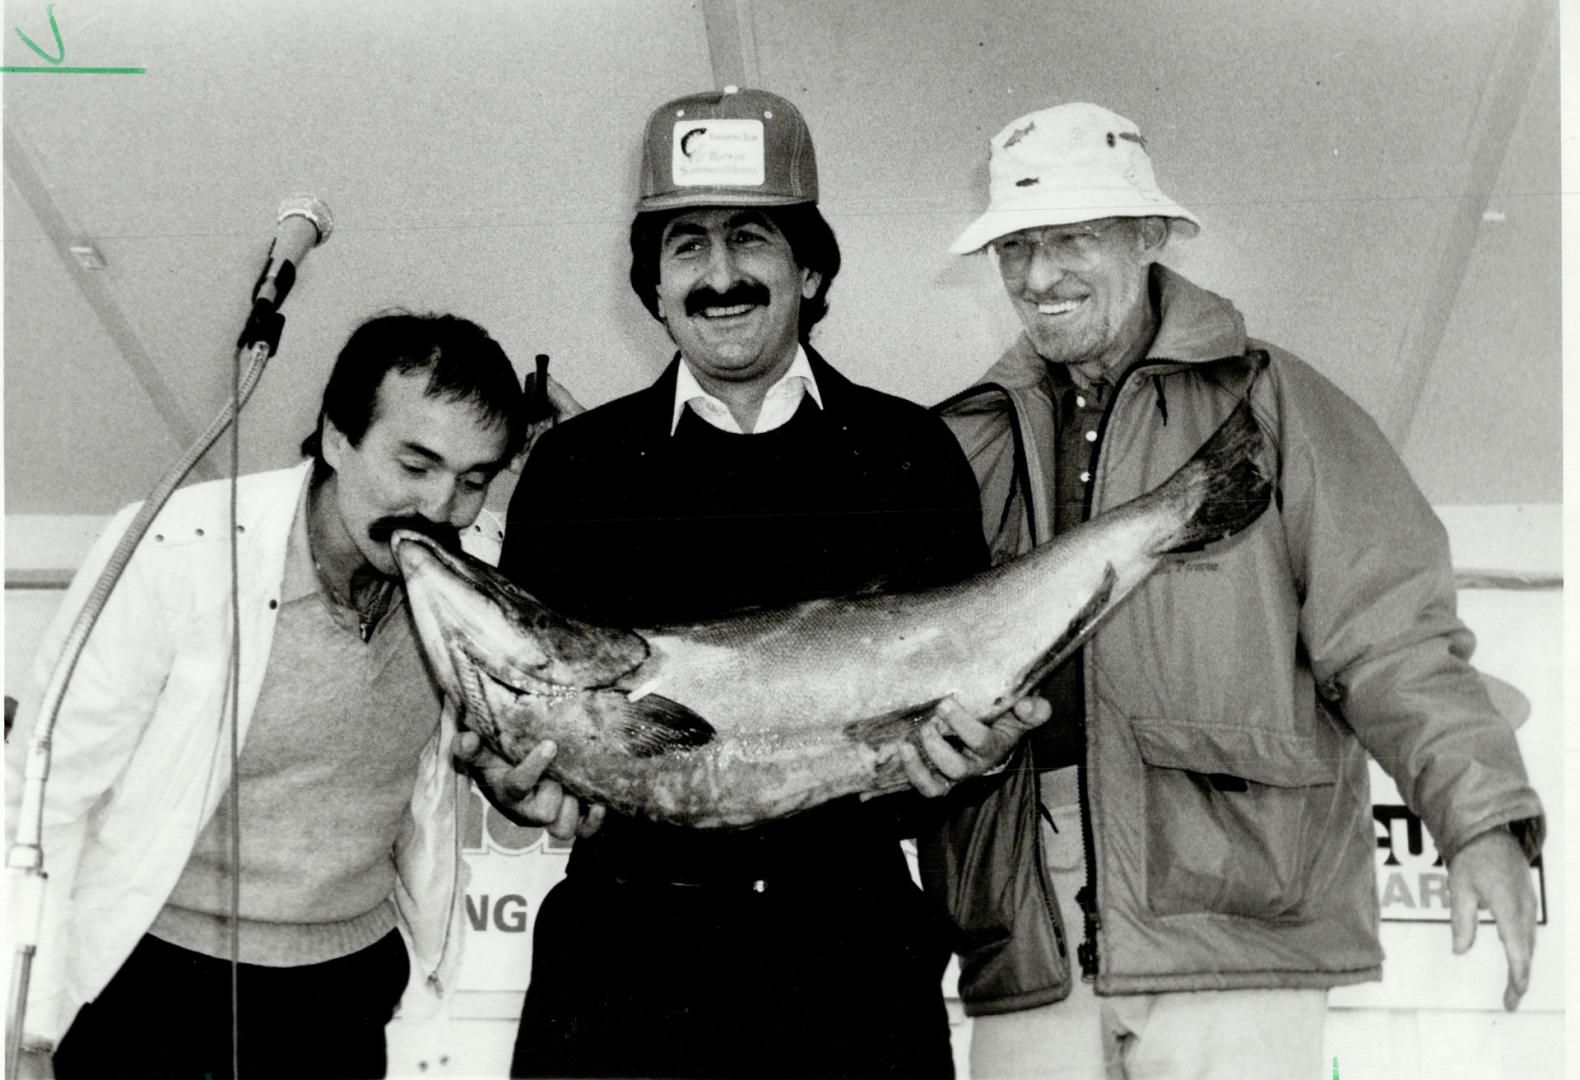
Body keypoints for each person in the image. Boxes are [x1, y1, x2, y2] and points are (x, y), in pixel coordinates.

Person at [915, 101, 1546, 1079]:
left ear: (1148, 237)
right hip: (1026, 934)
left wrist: (1480, 818)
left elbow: (1391, 640)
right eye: (1015, 246)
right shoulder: (955, 443)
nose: (1037, 276)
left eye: (1070, 238)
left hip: (1237, 921)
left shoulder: (1279, 405)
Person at [471, 86, 1044, 1080]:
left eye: (751, 240)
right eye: (685, 246)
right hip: (621, 979)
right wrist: (511, 780)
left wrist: (977, 757)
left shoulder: (909, 454)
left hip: (852, 970)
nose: (719, 276)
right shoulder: (576, 468)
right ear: (650, 284)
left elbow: (943, 733)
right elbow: (526, 724)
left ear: (809, 267)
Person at [4, 311, 536, 1079]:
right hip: (157, 978)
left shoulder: (478, 565)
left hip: (345, 984)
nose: (441, 508)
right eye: (415, 465)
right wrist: (26, 1029)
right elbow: (44, 792)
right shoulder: (177, 544)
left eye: (474, 481)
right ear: (336, 438)